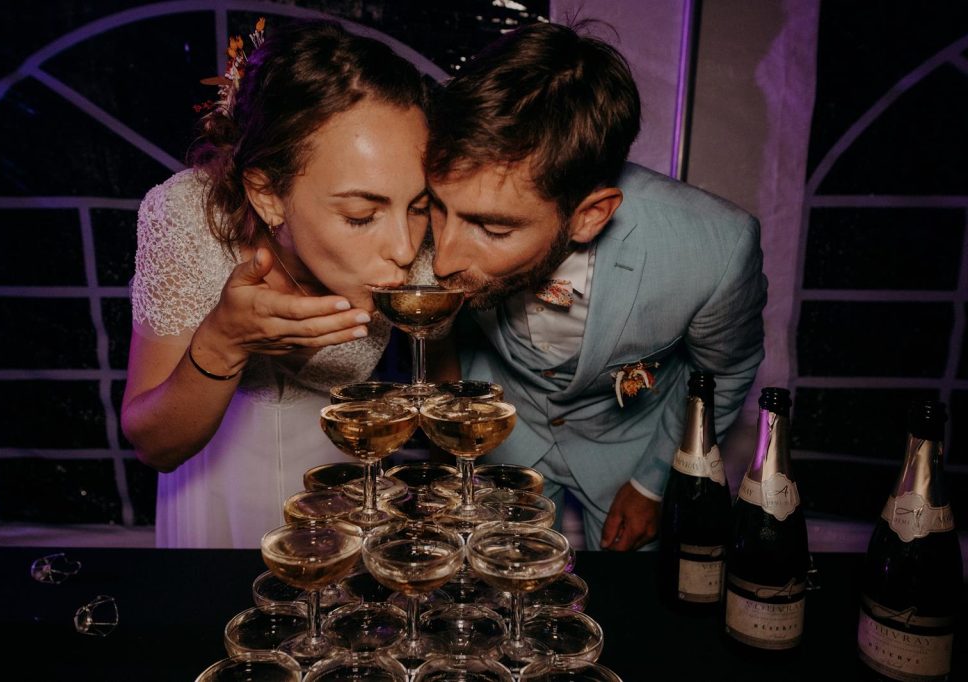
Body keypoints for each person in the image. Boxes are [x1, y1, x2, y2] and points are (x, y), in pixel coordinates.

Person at [426, 21, 767, 551]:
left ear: (590, 216)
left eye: (493, 228)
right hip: (500, 435)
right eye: (436, 208)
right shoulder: (441, 225)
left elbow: (723, 370)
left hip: (629, 450)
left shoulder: (716, 250)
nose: (442, 259)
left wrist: (656, 481)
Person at [121, 20, 433, 548]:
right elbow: (154, 445)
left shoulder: (415, 238)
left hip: (344, 472)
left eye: (420, 206)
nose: (405, 249)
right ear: (268, 195)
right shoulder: (183, 215)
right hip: (212, 471)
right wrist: (222, 343)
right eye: (362, 214)